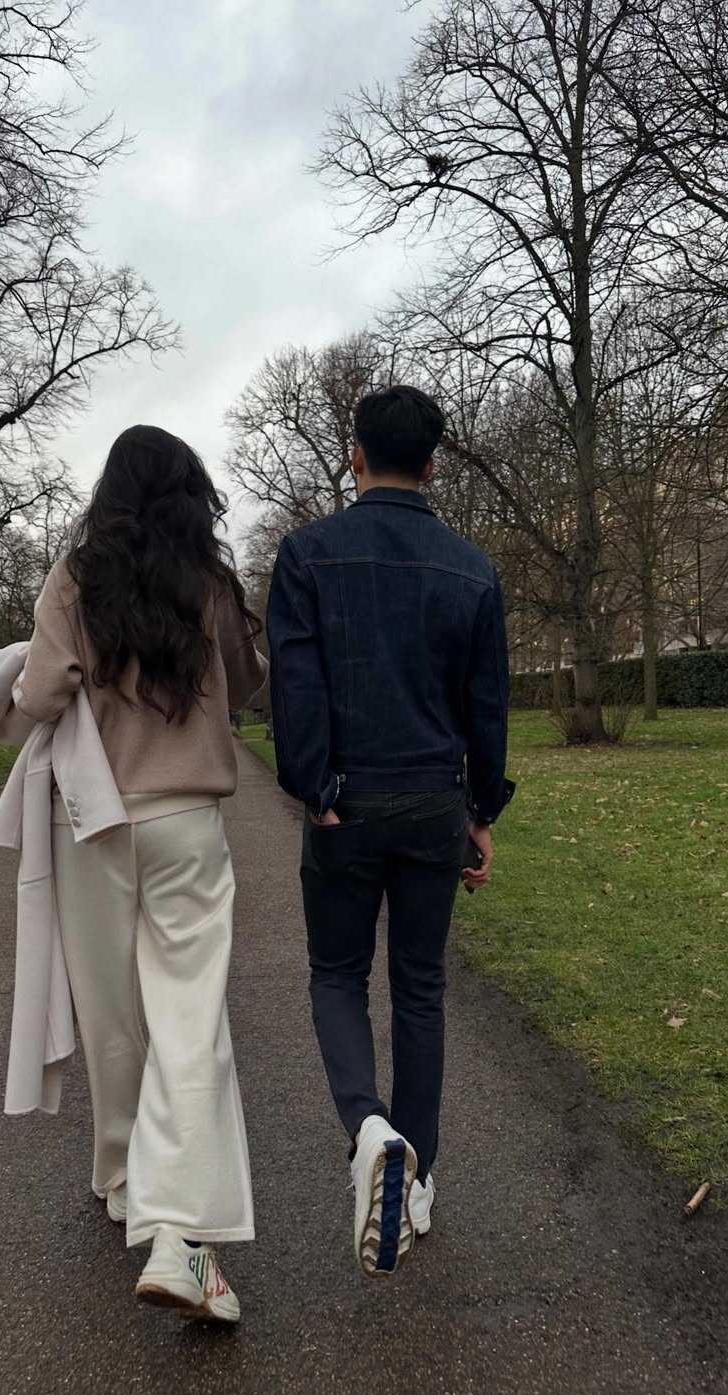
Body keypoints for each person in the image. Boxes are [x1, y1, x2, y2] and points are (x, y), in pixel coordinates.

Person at [15, 425, 266, 1323]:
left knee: (112, 1012)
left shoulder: (76, 577)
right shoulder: (209, 583)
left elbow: (41, 693)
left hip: (92, 819)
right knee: (188, 1016)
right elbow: (245, 684)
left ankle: (124, 1178)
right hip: (185, 819)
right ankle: (178, 1233)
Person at [266, 385, 513, 1278]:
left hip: (348, 801)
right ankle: (418, 1177)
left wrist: (315, 786)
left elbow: (294, 685)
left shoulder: (306, 555)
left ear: (355, 457)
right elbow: (487, 705)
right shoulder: (473, 569)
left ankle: (369, 1127)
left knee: (338, 972)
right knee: (420, 987)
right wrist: (481, 811)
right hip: (435, 803)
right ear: (434, 465)